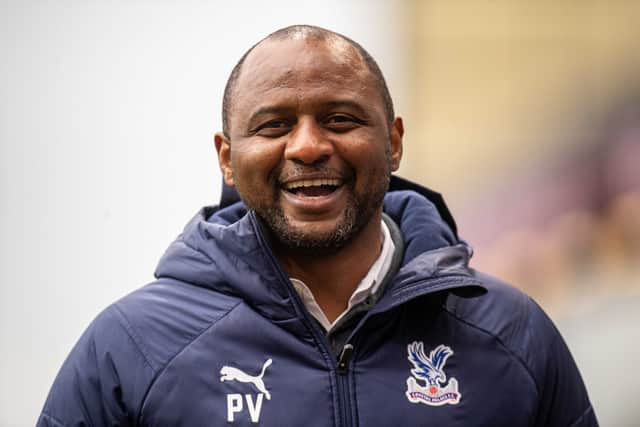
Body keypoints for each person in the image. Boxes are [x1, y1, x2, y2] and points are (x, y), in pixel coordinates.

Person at [38, 25, 597, 426]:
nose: (307, 146)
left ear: (394, 140)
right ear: (227, 158)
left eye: (340, 119)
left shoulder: (512, 336)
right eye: (275, 124)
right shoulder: (131, 348)